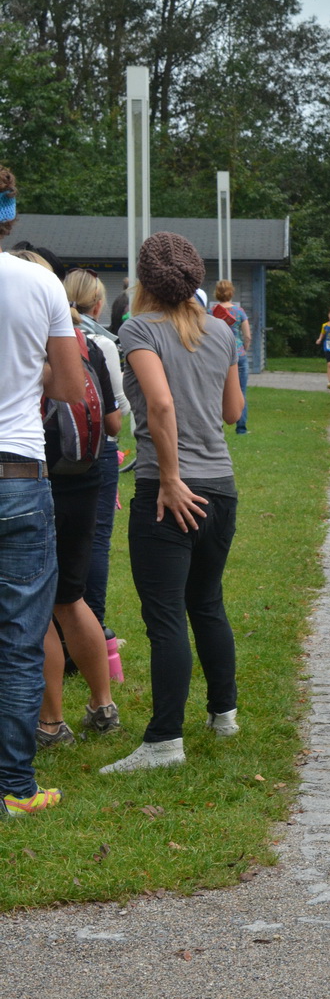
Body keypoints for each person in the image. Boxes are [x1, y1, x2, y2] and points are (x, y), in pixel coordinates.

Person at [102, 232, 246, 774]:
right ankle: (223, 714)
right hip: (221, 487)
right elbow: (233, 411)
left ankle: (164, 741)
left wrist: (168, 478)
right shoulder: (220, 331)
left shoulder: (138, 328)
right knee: (206, 602)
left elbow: (159, 405)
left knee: (165, 618)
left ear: (143, 279)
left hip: (170, 492)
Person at [0, 167, 85, 816]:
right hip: (19, 474)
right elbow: (69, 386)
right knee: (21, 637)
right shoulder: (40, 283)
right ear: (11, 212)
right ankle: (14, 786)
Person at [33, 266, 124, 749]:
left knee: (41, 608)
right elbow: (112, 423)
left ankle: (50, 723)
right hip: (86, 475)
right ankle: (102, 706)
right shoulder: (92, 342)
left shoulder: (25, 343)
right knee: (73, 597)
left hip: (38, 477)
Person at [64, 270, 129, 678]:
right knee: (94, 543)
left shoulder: (45, 336)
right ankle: (96, 629)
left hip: (51, 453)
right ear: (99, 305)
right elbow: (115, 420)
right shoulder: (100, 343)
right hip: (95, 452)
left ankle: (59, 630)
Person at [210, 280, 252, 435]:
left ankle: (217, 426)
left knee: (216, 391)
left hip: (218, 355)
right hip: (238, 353)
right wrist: (243, 349)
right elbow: (247, 335)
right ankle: (241, 428)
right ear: (231, 292)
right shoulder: (239, 311)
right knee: (241, 391)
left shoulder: (212, 312)